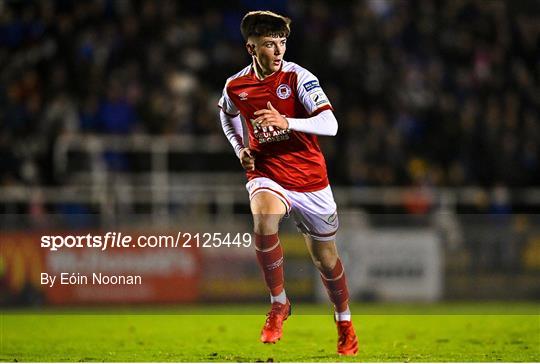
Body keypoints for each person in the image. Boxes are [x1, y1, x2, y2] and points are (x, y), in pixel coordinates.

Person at [218, 10, 358, 356]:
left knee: (326, 259)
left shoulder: (299, 77)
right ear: (252, 48)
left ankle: (344, 321)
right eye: (269, 44)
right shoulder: (236, 85)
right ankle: (279, 304)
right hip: (267, 170)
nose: (278, 50)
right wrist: (240, 150)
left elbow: (330, 124)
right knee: (264, 218)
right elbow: (226, 114)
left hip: (310, 178)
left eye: (282, 42)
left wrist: (287, 122)